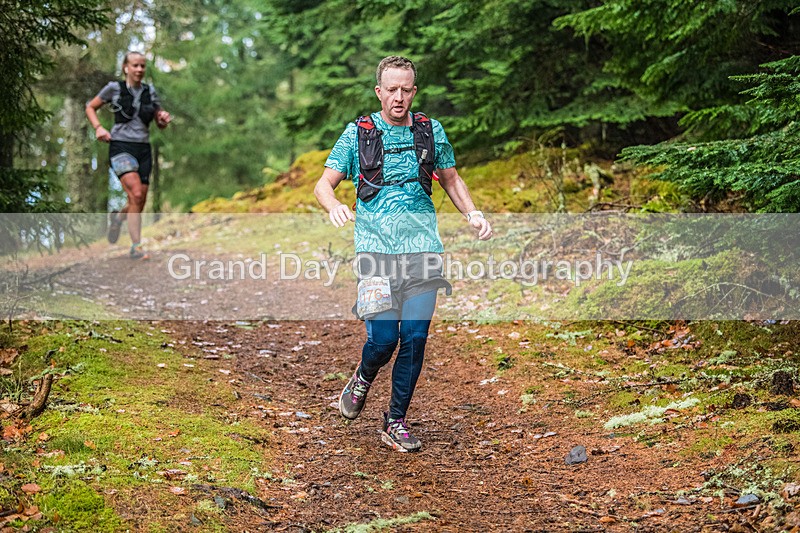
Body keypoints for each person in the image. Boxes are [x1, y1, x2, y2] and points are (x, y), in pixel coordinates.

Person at [314, 56, 492, 452]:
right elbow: (323, 185)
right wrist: (334, 205)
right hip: (375, 252)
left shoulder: (430, 130)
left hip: (423, 250)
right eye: (391, 89)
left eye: (405, 89)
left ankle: (395, 421)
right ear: (379, 91)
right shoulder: (358, 133)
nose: (399, 97)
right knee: (382, 340)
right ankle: (364, 374)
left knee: (414, 337)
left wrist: (473, 212)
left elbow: (450, 177)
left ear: (414, 90)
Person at [85, 51, 171, 259]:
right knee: (136, 194)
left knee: (137, 201)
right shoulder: (113, 89)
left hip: (143, 149)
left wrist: (163, 119)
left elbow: (159, 123)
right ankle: (136, 247)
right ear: (126, 67)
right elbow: (90, 106)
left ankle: (118, 219)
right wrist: (98, 128)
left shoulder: (150, 92)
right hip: (121, 146)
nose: (139, 69)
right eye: (135, 65)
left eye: (142, 66)